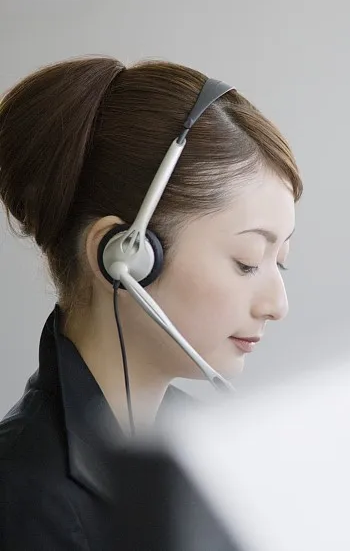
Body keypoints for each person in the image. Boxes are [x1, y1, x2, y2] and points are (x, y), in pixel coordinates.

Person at [0, 56, 302, 549]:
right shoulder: (24, 497)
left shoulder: (206, 447)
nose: (277, 304)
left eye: (280, 262)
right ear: (125, 257)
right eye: (247, 261)